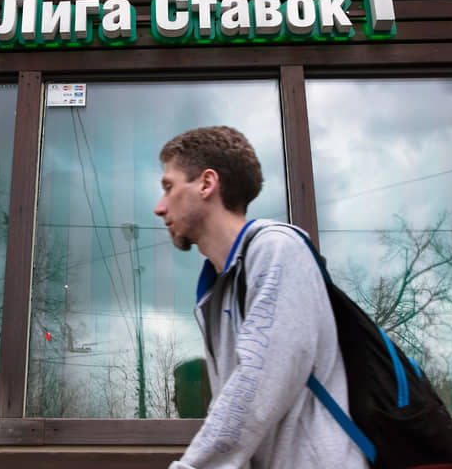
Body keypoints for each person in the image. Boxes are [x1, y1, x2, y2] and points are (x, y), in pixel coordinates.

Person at [154, 126, 366, 469]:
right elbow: (231, 404)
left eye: (168, 187)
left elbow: (256, 386)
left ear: (207, 184)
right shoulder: (219, 288)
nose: (159, 207)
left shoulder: (278, 250)